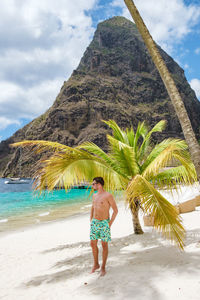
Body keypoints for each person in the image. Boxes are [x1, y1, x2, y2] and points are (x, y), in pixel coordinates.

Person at [90, 177, 118, 276]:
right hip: (95, 222)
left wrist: (109, 224)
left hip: (104, 223)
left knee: (104, 245)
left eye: (93, 184)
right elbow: (93, 207)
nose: (92, 185)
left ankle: (103, 267)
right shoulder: (94, 195)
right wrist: (91, 220)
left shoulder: (108, 196)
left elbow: (115, 210)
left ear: (99, 184)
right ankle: (96, 264)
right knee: (93, 244)